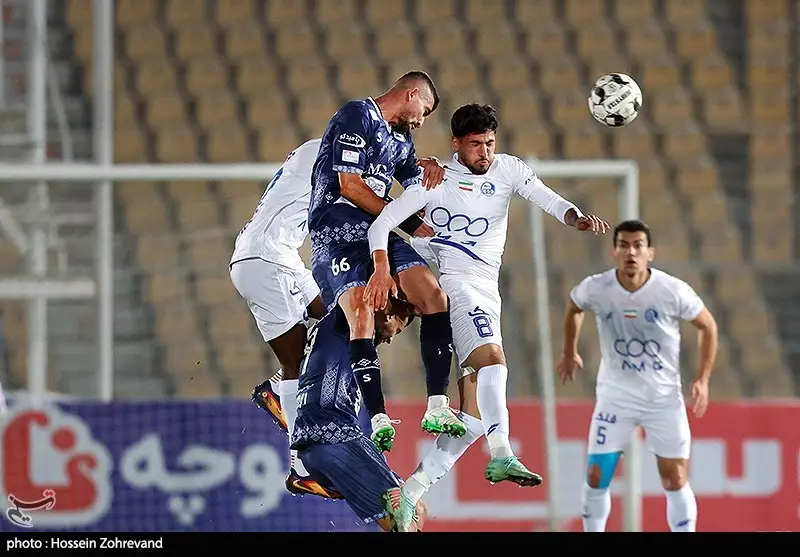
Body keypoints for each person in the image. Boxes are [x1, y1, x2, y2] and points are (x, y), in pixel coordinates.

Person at [364, 103, 610, 492]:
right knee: (493, 360)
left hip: (485, 287)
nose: (485, 152)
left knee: (476, 413)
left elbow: (549, 199)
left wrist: (576, 217)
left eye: (490, 143)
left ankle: (410, 491)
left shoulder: (508, 170)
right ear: (456, 144)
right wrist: (383, 266)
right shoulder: (434, 179)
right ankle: (502, 452)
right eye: (476, 144)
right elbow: (383, 224)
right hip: (454, 285)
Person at [308, 71, 465, 451]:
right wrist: (396, 220)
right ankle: (377, 416)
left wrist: (430, 171)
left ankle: (438, 405)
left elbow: (414, 181)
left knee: (432, 296)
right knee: (363, 311)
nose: (421, 121)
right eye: (424, 111)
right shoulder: (356, 115)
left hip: (377, 228)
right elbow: (349, 184)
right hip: (337, 229)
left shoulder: (401, 138)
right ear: (411, 94)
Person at [556, 219, 719, 532]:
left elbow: (708, 326)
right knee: (595, 476)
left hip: (663, 399)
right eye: (624, 245)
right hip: (615, 397)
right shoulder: (597, 287)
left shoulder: (672, 290)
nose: (631, 252)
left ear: (650, 253)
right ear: (614, 251)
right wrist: (568, 351)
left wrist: (702, 379)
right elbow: (574, 306)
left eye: (638, 246)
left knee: (674, 477)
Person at [230, 139, 337, 497]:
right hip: (265, 258)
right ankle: (300, 468)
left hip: (282, 256)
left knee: (331, 322)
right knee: (299, 363)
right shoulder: (328, 150)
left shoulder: (322, 150)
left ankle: (276, 389)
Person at [291, 296, 426, 532]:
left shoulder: (339, 332)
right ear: (387, 310)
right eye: (398, 327)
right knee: (409, 515)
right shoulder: (347, 315)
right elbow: (356, 280)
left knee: (410, 511)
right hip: (337, 439)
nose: (392, 337)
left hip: (313, 446)